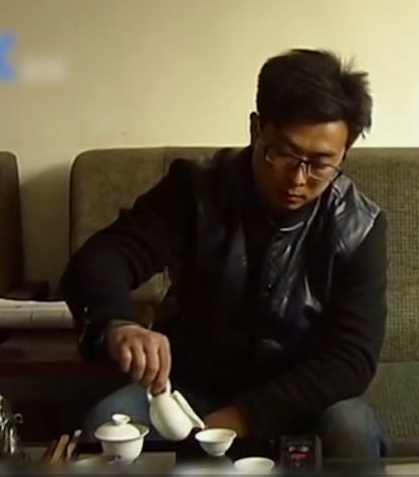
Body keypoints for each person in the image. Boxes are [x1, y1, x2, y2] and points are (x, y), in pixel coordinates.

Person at [61, 48, 388, 461]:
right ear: (256, 128)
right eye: (282, 154)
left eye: (321, 164)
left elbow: (351, 359)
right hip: (189, 389)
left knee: (352, 429)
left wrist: (242, 417)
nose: (297, 179)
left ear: (345, 153)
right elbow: (102, 258)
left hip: (301, 398)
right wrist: (119, 322)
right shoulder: (196, 191)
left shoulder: (359, 226)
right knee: (108, 421)